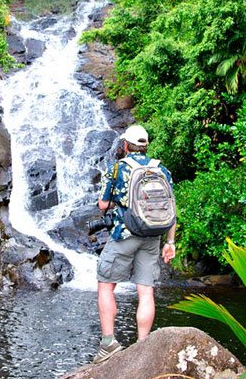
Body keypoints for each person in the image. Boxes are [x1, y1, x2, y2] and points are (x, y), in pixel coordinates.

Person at [93, 124, 176, 364]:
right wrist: (170, 241)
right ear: (146, 146)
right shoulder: (161, 169)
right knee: (145, 290)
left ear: (125, 146)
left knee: (106, 285)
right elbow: (171, 207)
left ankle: (109, 343)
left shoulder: (117, 168)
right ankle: (142, 346)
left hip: (124, 234)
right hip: (153, 235)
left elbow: (102, 204)